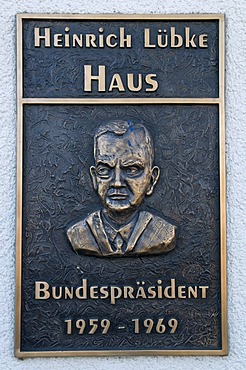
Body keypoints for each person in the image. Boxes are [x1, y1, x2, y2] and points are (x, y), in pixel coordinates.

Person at [67, 119, 176, 257]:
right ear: (95, 178)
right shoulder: (78, 235)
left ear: (151, 180)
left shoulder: (163, 234)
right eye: (105, 170)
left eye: (131, 169)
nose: (117, 182)